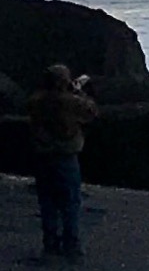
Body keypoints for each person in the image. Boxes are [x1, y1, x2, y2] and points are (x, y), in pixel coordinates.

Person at [25, 63, 96, 260]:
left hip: (43, 156)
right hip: (66, 156)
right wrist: (79, 92)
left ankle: (50, 243)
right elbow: (90, 112)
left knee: (47, 202)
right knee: (70, 202)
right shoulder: (71, 102)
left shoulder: (36, 101)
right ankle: (71, 244)